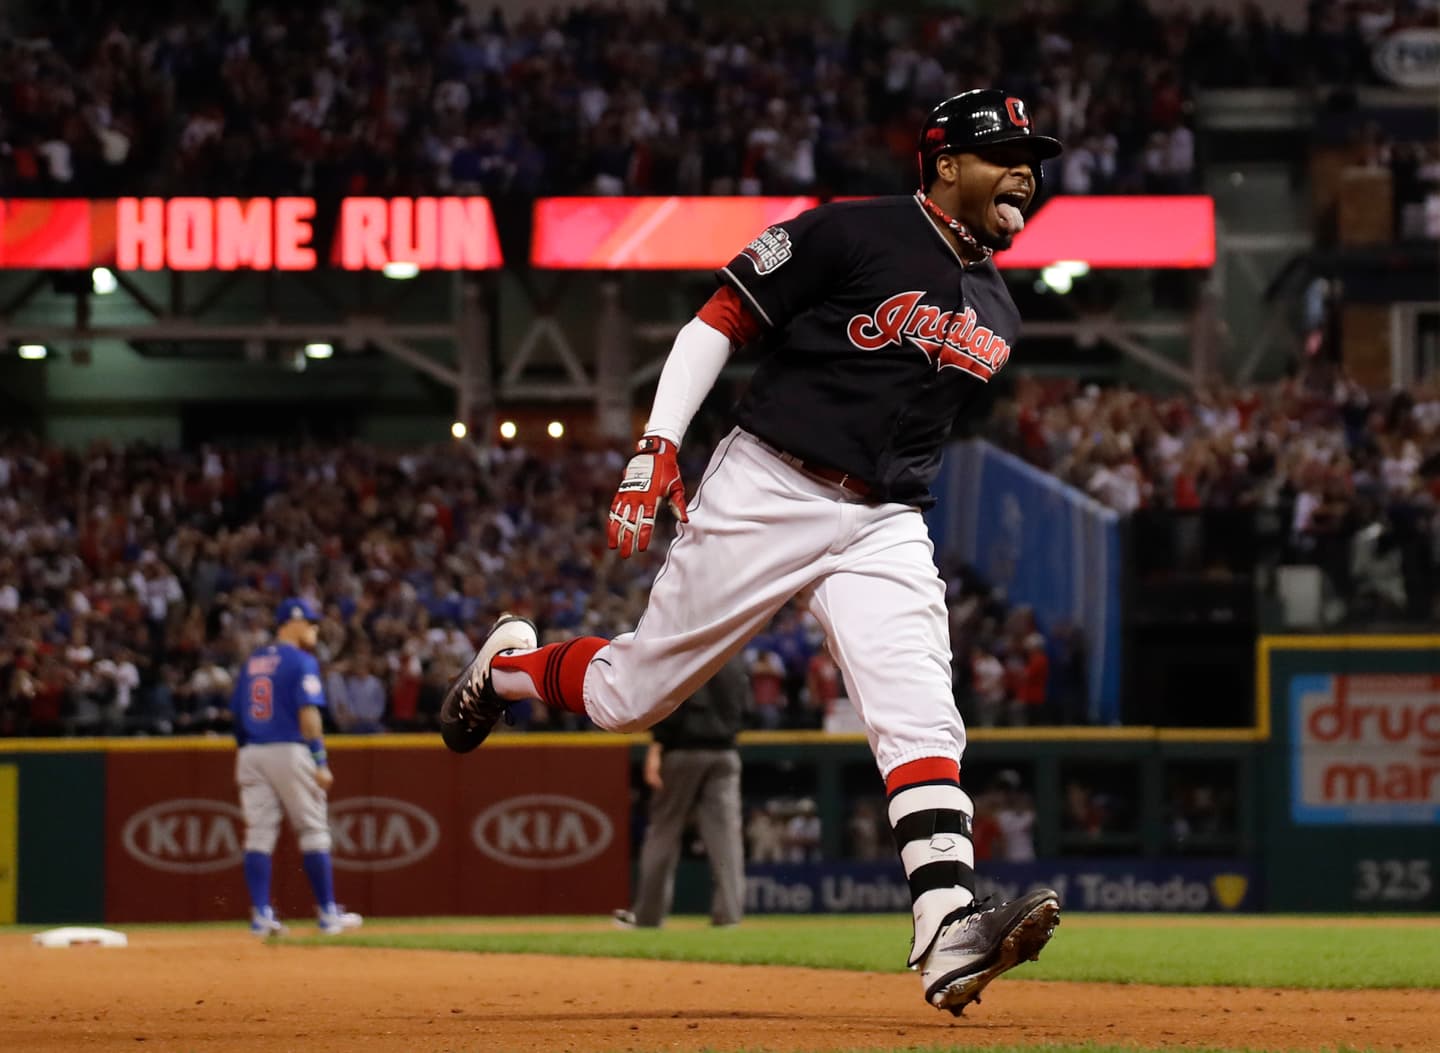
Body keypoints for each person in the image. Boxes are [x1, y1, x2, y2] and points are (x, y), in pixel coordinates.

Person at [441, 89, 1062, 1016]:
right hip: (770, 483)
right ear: (942, 163)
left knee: (922, 711)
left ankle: (946, 924)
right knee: (628, 696)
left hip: (885, 517)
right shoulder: (853, 232)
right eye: (1003, 151)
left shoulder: (1000, 309)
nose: (1026, 169)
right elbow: (715, 322)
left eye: (1033, 155)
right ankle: (510, 668)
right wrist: (657, 444)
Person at [231, 598, 362, 937]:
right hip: (289, 749)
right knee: (314, 830)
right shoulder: (301, 661)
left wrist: (249, 749)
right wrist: (320, 760)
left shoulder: (253, 662)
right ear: (292, 623)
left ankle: (261, 915)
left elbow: (237, 716)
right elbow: (309, 715)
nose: (314, 629)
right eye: (311, 623)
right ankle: (328, 914)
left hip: (251, 752)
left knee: (259, 834)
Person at [612, 653, 748, 930]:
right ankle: (730, 915)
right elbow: (746, 709)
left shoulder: (689, 654)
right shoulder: (734, 658)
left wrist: (659, 744)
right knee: (725, 837)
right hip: (725, 752)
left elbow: (673, 704)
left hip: (682, 750)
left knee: (663, 830)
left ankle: (648, 917)